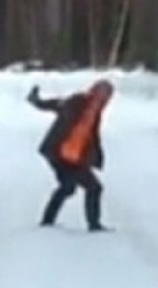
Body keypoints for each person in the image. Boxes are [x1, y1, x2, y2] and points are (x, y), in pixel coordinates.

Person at [27, 79, 114, 232]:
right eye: (102, 93)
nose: (104, 97)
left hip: (75, 157)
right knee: (89, 187)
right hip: (58, 154)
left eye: (107, 95)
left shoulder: (95, 112)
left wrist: (97, 156)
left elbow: (92, 136)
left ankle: (48, 221)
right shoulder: (78, 102)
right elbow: (57, 104)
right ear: (94, 91)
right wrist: (37, 101)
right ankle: (93, 225)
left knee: (70, 188)